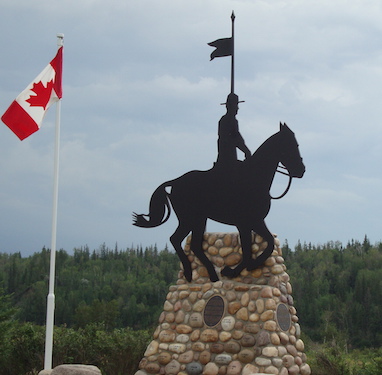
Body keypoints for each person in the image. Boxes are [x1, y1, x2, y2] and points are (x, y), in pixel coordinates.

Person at [216, 93, 251, 166]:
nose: (237, 108)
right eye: (236, 105)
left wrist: (246, 150)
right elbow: (235, 138)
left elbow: (238, 138)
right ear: (230, 106)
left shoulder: (233, 121)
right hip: (226, 157)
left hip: (232, 156)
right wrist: (246, 151)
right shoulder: (226, 120)